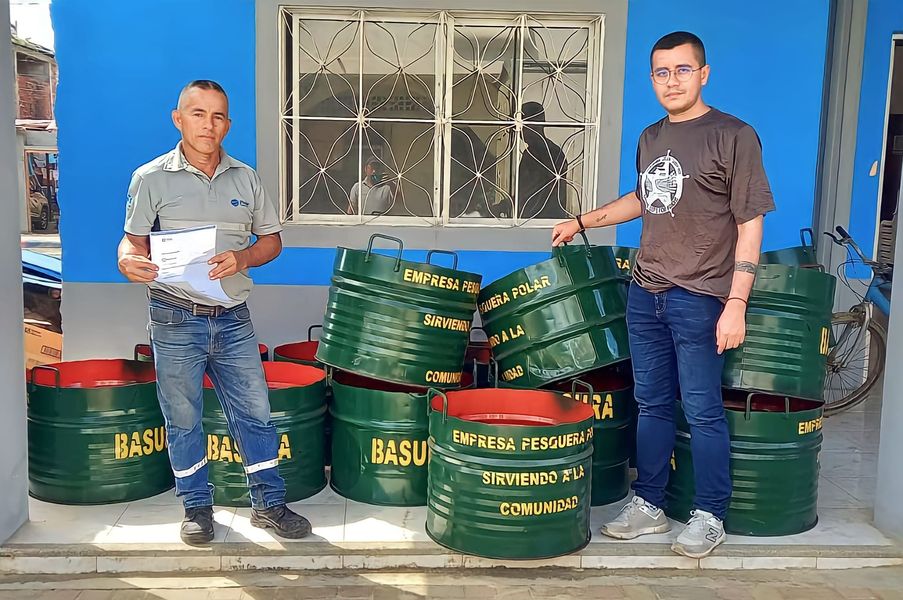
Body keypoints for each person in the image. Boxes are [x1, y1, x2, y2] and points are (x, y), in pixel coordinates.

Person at [552, 31, 774, 558]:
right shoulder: (651, 137)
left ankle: (710, 514)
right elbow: (644, 197)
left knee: (701, 410)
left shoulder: (734, 135)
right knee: (650, 404)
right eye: (661, 72)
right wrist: (582, 221)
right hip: (645, 292)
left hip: (700, 296)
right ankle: (649, 504)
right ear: (652, 79)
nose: (671, 81)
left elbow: (751, 223)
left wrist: (736, 303)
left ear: (703, 74)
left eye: (682, 70)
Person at [117, 80, 311, 545]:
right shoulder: (150, 178)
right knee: (183, 417)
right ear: (178, 119)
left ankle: (268, 504)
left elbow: (271, 241)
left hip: (232, 317)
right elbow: (132, 241)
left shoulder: (246, 178)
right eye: (198, 113)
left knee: (256, 413)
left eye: (218, 115)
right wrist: (126, 261)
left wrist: (243, 258)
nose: (209, 124)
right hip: (173, 316)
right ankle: (197, 508)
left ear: (228, 124)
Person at [518, 101, 569, 220]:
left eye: (522, 125)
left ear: (534, 125)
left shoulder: (548, 153)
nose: (519, 130)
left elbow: (536, 193)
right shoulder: (533, 152)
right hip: (536, 220)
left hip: (542, 221)